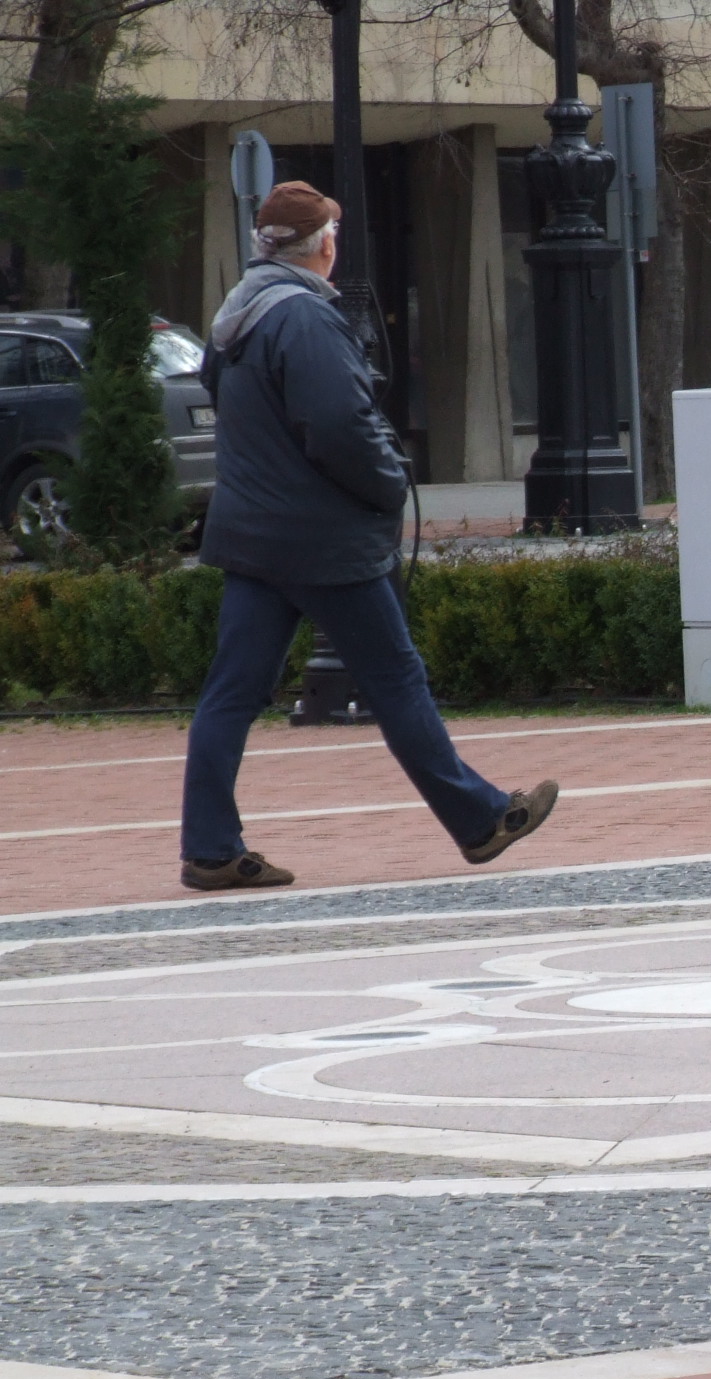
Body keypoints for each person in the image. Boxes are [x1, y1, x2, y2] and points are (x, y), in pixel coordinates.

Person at [184, 183, 553, 892]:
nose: (336, 244)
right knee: (395, 681)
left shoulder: (239, 313)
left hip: (253, 537)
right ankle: (480, 821)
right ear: (322, 246)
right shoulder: (304, 317)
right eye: (333, 234)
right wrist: (389, 482)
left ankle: (209, 849)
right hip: (324, 540)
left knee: (231, 693)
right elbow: (338, 426)